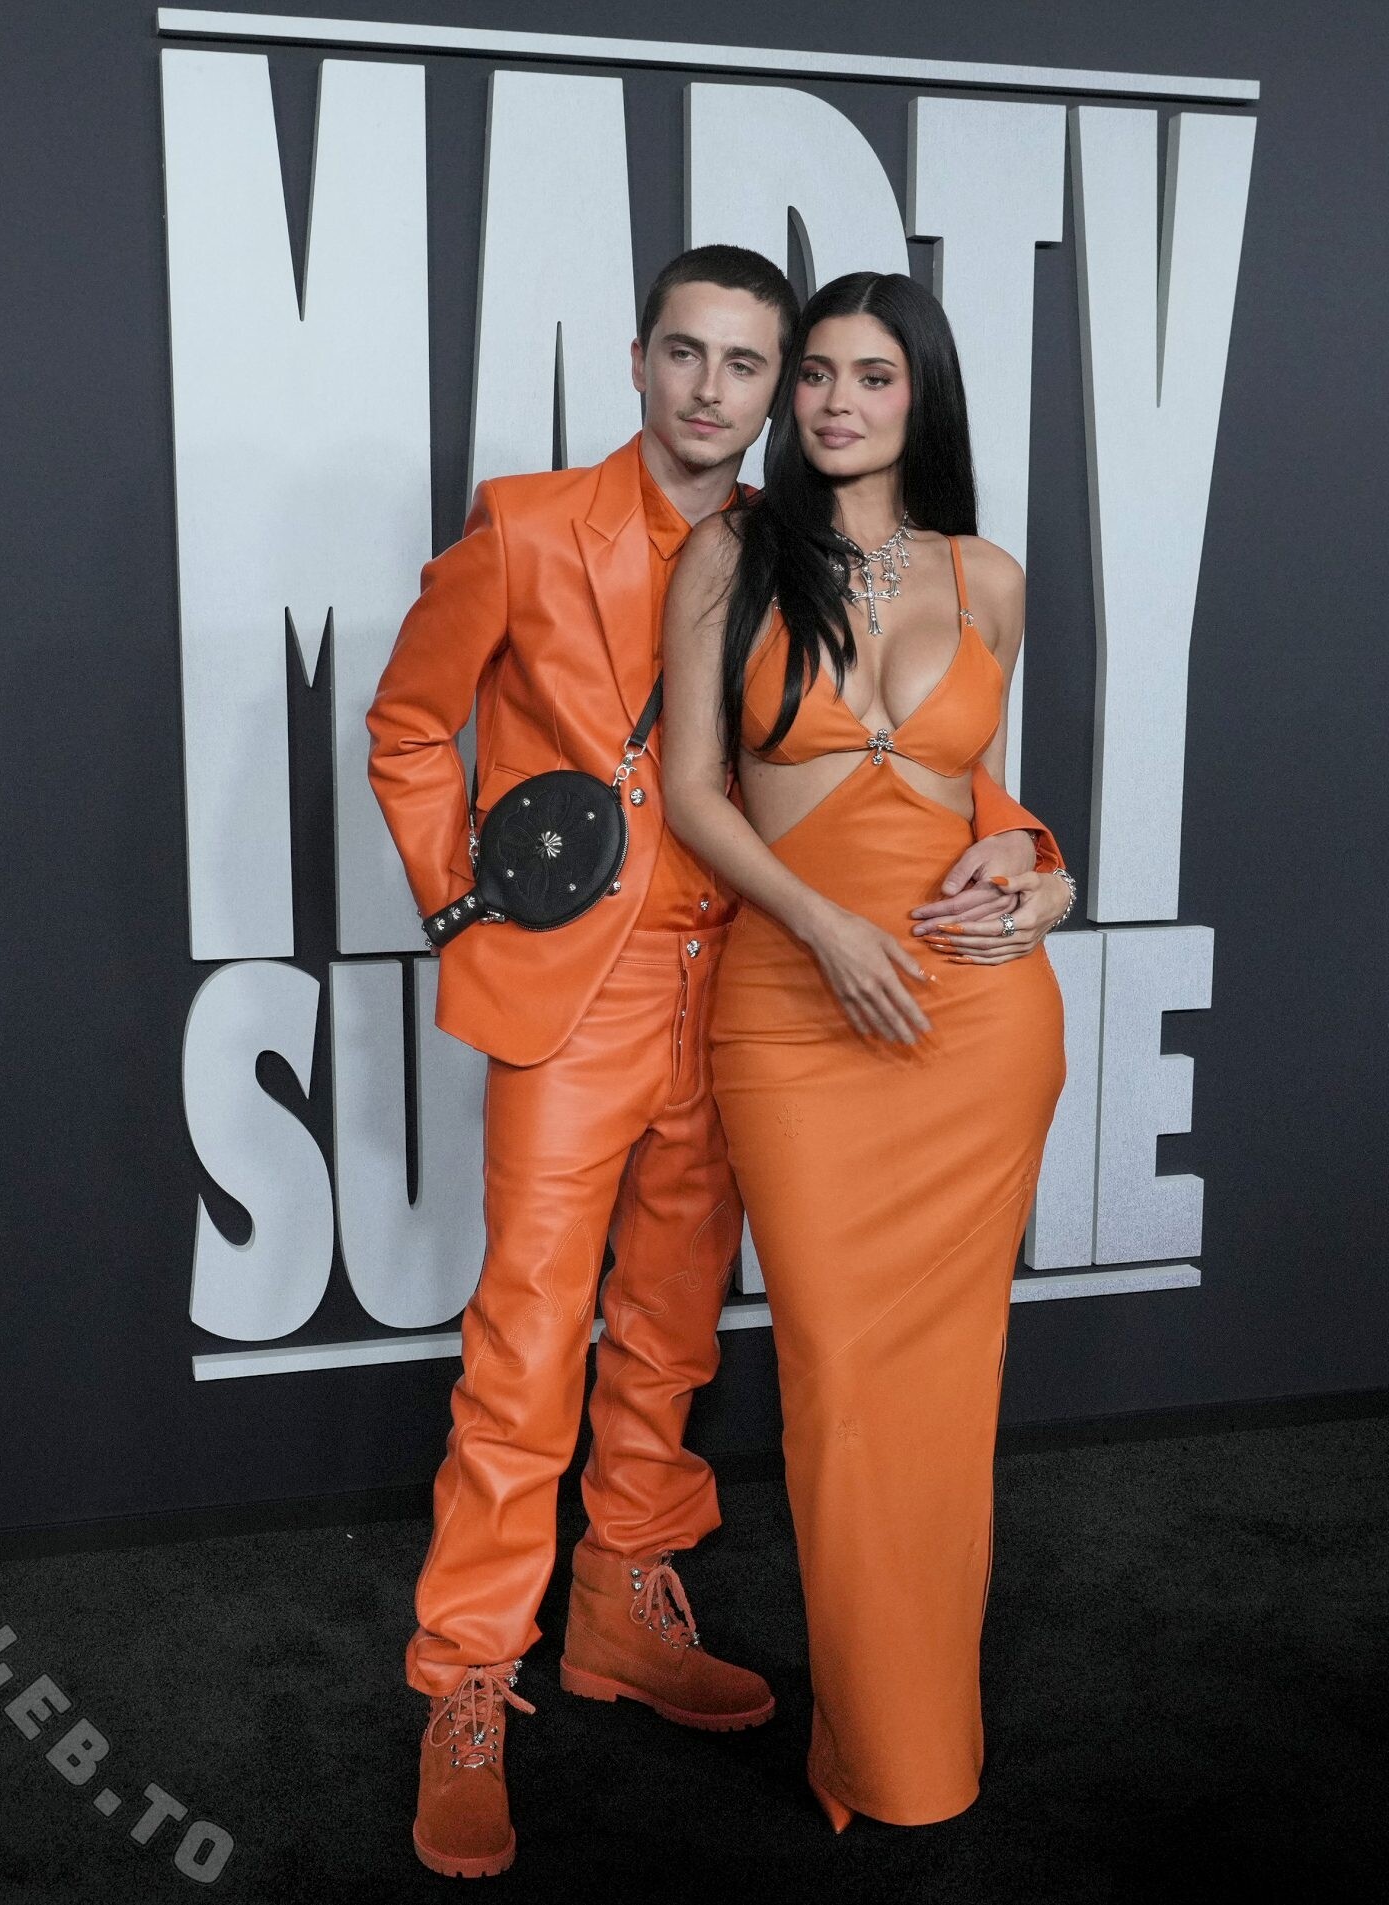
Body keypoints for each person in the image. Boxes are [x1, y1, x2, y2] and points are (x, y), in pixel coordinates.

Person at [366, 246, 1058, 1877]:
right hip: (584, 991)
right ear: (639, 358)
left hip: (736, 979)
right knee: (530, 1333)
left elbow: (931, 768)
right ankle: (468, 1679)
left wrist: (1038, 854)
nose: (717, 388)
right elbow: (407, 723)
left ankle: (621, 1602)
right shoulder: (531, 523)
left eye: (753, 364)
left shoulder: (791, 542)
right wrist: (471, 904)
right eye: (690, 353)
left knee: (673, 1329)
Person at [661, 269, 1073, 1833]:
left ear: (923, 395)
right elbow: (695, 790)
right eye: (818, 374)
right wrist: (823, 926)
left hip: (977, 1027)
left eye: (874, 376)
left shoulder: (990, 577)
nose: (837, 402)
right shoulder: (732, 554)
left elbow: (977, 789)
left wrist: (1044, 866)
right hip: (797, 1009)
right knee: (837, 1386)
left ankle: (910, 1754)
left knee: (948, 1397)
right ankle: (878, 1745)